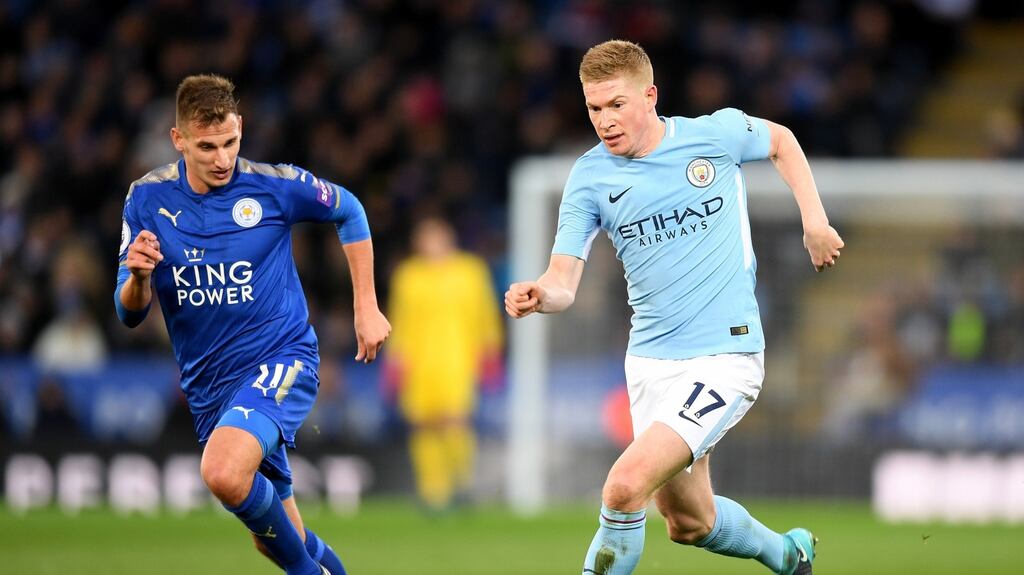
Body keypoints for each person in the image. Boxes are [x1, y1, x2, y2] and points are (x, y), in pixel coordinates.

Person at [505, 40, 844, 575]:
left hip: (725, 357)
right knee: (689, 523)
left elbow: (781, 141)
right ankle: (788, 554)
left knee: (623, 487)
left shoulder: (713, 136)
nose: (604, 120)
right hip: (650, 365)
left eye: (617, 104)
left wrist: (815, 221)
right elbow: (563, 280)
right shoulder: (590, 177)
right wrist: (540, 295)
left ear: (650, 96)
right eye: (594, 108)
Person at [114, 74, 391, 575]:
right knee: (280, 540)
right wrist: (138, 276)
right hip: (210, 387)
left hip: (281, 359)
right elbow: (129, 313)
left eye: (230, 142)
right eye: (207, 147)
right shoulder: (146, 199)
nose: (222, 158)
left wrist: (365, 306)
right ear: (178, 140)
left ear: (240, 127)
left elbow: (349, 209)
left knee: (223, 472)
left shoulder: (274, 185)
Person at [385, 217, 503, 512]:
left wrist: (490, 353)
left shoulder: (470, 271)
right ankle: (433, 492)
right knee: (424, 425)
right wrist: (394, 362)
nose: (432, 245)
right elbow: (400, 321)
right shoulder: (408, 275)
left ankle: (461, 484)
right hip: (419, 363)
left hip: (458, 359)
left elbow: (486, 314)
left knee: (455, 421)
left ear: (450, 239)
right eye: (426, 239)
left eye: (437, 238)